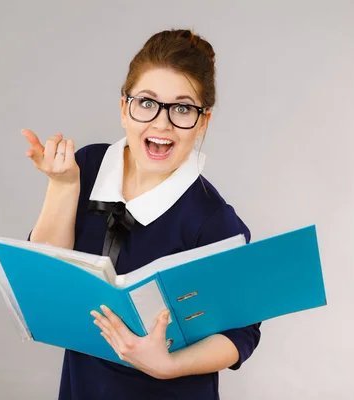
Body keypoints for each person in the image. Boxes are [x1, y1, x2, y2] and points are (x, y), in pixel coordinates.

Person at [22, 28, 261, 400]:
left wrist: (170, 365)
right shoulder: (87, 165)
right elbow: (43, 281)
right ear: (124, 108)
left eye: (182, 108)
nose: (162, 123)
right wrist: (63, 186)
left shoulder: (213, 219)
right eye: (147, 103)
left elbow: (242, 333)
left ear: (202, 122)